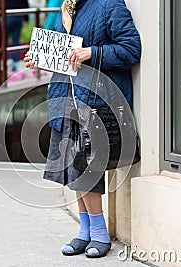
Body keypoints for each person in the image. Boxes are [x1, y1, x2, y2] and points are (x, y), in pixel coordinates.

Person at [25, 0, 141, 258]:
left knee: (86, 169)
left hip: (95, 102)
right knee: (73, 169)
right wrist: (40, 59)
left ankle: (98, 233)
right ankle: (85, 231)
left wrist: (92, 53)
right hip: (66, 98)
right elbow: (64, 55)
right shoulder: (66, 7)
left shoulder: (110, 5)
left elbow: (132, 49)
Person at [5, 0, 29, 72]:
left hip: (8, 15)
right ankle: (16, 62)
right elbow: (25, 4)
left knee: (4, 39)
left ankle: (9, 59)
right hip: (19, 15)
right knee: (16, 39)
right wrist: (26, 18)